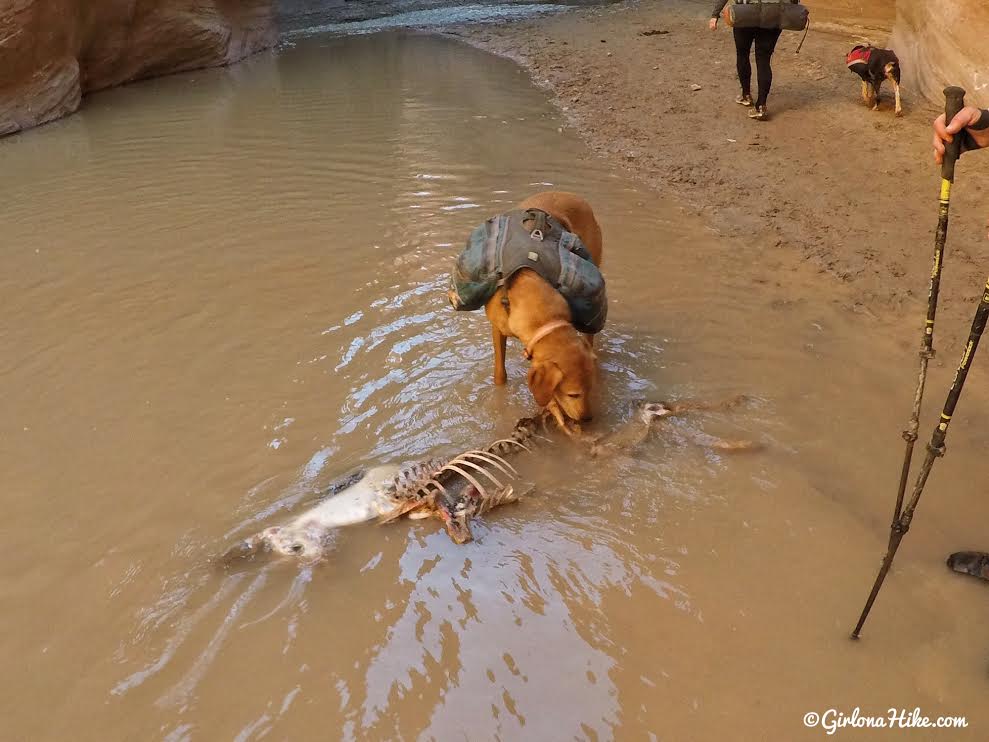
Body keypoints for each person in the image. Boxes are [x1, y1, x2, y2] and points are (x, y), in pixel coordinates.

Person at [709, 1, 783, 121]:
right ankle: (761, 106)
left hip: (745, 13)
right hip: (772, 15)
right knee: (764, 60)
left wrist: (715, 15)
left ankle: (746, 95)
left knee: (742, 54)